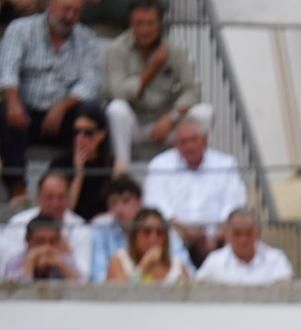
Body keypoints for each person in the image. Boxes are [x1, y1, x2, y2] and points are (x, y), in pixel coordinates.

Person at [0, 0, 100, 203]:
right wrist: (13, 100)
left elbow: (91, 83)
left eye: (76, 12)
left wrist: (62, 106)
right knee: (5, 111)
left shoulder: (88, 39)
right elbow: (8, 70)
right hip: (25, 109)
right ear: (50, 5)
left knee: (92, 117)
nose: (70, 16)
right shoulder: (20, 30)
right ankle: (18, 188)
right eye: (66, 9)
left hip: (64, 112)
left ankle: (63, 182)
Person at [103, 0, 210, 171]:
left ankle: (194, 168)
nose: (144, 30)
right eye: (138, 24)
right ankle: (122, 170)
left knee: (204, 112)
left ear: (160, 24)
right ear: (130, 24)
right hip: (135, 123)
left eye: (150, 24)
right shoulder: (116, 49)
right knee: (116, 109)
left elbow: (193, 90)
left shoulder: (175, 51)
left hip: (167, 124)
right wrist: (151, 70)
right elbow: (118, 92)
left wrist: (171, 118)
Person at [143, 116, 248, 266]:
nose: (189, 146)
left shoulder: (225, 163)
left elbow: (235, 202)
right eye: (183, 142)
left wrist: (217, 232)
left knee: (242, 228)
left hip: (219, 234)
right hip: (175, 233)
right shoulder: (159, 165)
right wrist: (184, 229)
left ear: (204, 140)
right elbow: (155, 204)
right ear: (175, 145)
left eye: (194, 140)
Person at [0, 168, 88, 273]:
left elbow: (85, 276)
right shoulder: (17, 223)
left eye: (61, 197)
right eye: (49, 197)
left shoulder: (81, 227)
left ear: (68, 197)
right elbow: (6, 269)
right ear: (38, 197)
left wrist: (66, 256)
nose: (55, 204)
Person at [195, 207, 293, 285]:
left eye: (249, 233)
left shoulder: (275, 258)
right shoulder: (215, 261)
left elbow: (285, 286)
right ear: (227, 234)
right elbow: (198, 287)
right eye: (237, 233)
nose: (243, 239)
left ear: (258, 232)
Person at [48, 97, 108, 218]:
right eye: (77, 132)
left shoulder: (109, 165)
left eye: (88, 133)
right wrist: (79, 173)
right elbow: (64, 212)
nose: (81, 138)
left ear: (101, 135)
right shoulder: (60, 163)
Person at [105, 205, 187, 284]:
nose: (153, 239)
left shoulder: (177, 267)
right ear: (135, 236)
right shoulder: (120, 262)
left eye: (159, 233)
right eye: (147, 232)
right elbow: (119, 296)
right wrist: (143, 269)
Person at [3, 212, 78, 279]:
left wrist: (61, 266)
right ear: (28, 241)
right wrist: (29, 265)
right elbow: (14, 291)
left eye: (52, 241)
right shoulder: (15, 262)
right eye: (40, 241)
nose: (47, 247)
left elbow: (82, 288)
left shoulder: (65, 260)